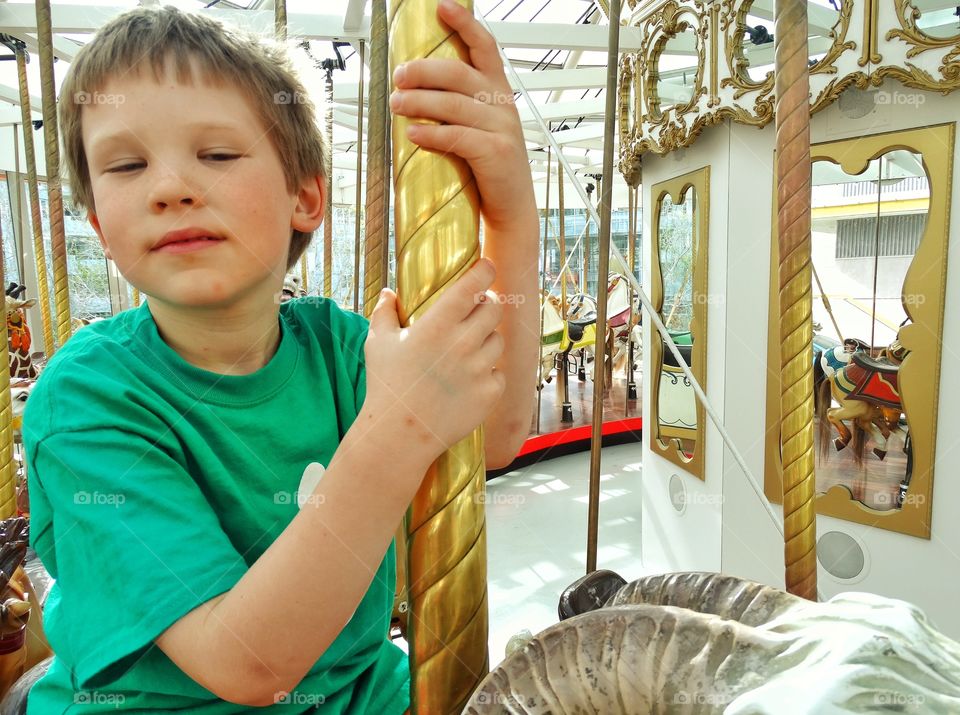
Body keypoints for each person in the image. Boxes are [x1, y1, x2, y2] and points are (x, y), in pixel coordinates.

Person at [22, 1, 539, 712]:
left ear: (305, 196)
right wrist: (402, 426)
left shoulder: (342, 348)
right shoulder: (87, 398)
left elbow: (499, 434)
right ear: (101, 231)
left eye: (218, 154)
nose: (170, 187)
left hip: (352, 690)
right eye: (127, 164)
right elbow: (244, 664)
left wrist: (510, 216)